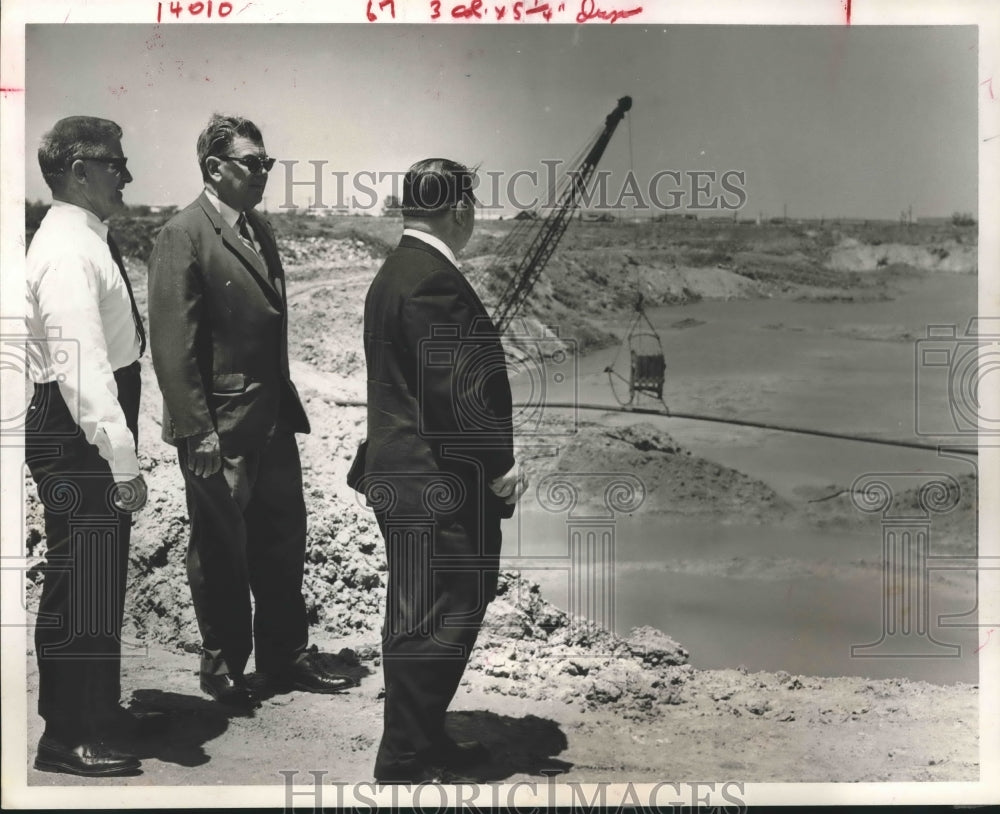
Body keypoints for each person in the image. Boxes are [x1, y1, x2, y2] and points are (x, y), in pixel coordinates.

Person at [147, 114, 352, 710]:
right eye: (251, 162)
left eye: (268, 162)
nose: (264, 172)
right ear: (215, 168)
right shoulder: (182, 234)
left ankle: (286, 656)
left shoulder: (257, 228)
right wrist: (197, 430)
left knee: (283, 539)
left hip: (271, 421)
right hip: (220, 429)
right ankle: (222, 667)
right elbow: (172, 346)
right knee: (220, 547)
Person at [349, 158, 527, 783]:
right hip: (437, 485)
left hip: (408, 477)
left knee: (419, 612)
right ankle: (405, 757)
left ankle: (418, 740)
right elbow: (457, 393)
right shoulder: (432, 281)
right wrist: (501, 467)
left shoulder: (395, 271)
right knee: (443, 612)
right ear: (459, 209)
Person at [25, 116, 155, 776]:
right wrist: (122, 460)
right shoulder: (67, 251)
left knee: (98, 580)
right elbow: (83, 370)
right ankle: (65, 735)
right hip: (78, 434)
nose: (127, 174)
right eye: (116, 163)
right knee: (79, 584)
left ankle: (99, 712)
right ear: (80, 171)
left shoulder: (85, 239)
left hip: (84, 431)